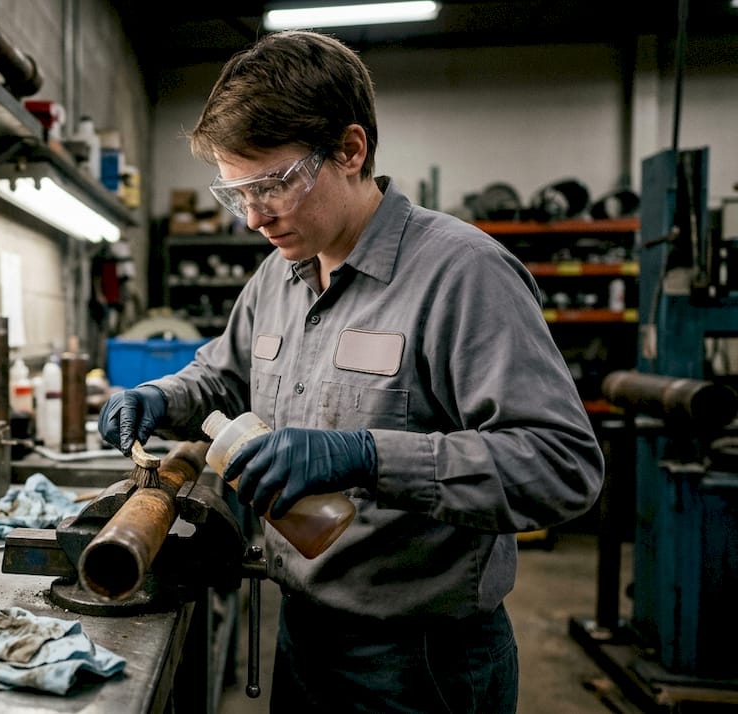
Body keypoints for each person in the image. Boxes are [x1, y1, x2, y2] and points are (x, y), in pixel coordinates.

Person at [98, 30, 604, 712]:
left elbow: (561, 465)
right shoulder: (277, 275)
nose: (253, 217)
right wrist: (160, 396)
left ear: (349, 150)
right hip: (303, 636)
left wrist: (366, 456)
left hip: (421, 663)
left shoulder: (463, 274)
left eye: (272, 185)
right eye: (237, 193)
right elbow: (223, 375)